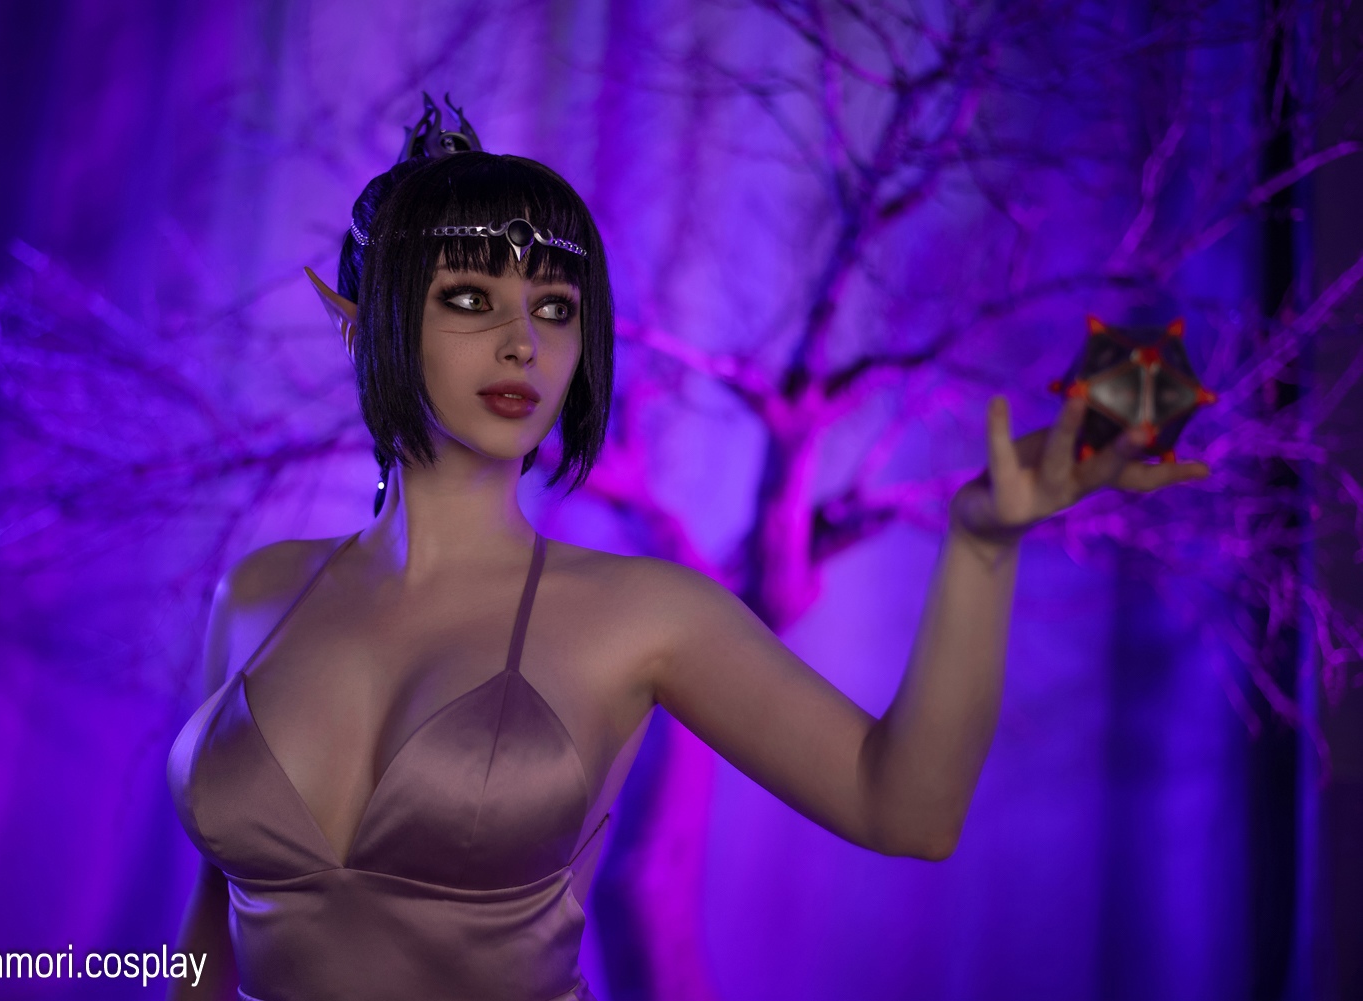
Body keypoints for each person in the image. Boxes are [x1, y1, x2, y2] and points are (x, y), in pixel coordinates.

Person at [166, 98, 1209, 1001]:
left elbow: (909, 809)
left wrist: (980, 545)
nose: (524, 341)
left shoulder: (645, 613)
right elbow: (210, 929)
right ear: (360, 325)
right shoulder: (258, 591)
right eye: (470, 299)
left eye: (556, 307)